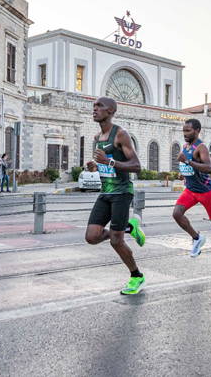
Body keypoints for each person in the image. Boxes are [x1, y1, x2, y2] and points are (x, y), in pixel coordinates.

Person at [85, 97, 147, 295]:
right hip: (105, 192)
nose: (95, 109)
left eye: (100, 106)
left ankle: (136, 276)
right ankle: (129, 227)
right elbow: (106, 162)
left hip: (121, 192)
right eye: (94, 106)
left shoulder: (120, 134)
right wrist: (96, 166)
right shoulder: (97, 137)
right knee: (92, 237)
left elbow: (136, 166)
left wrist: (109, 162)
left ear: (111, 111)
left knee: (115, 240)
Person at [173, 119, 211, 269]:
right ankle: (197, 238)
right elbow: (190, 168)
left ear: (197, 130)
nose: (185, 134)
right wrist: (184, 174)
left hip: (206, 191)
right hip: (191, 190)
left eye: (188, 131)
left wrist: (187, 162)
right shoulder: (185, 147)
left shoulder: (201, 147)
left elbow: (208, 168)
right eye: (184, 131)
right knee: (177, 214)